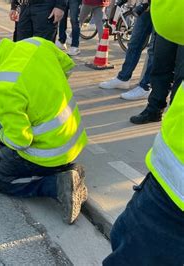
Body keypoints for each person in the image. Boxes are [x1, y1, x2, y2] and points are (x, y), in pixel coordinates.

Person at [0, 38, 88, 224]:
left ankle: (56, 185)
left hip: (50, 150)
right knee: (6, 152)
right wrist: (43, 97)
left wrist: (0, 134)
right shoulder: (34, 44)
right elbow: (68, 66)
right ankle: (68, 170)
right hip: (74, 137)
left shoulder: (1, 88)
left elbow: (21, 141)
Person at [103, 1, 184, 264]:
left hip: (175, 193)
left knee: (130, 246)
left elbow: (170, 20)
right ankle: (154, 106)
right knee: (162, 66)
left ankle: (154, 103)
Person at [99, 5, 155, 101]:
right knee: (134, 42)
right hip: (147, 6)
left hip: (164, 7)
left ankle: (146, 87)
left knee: (153, 49)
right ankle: (123, 78)